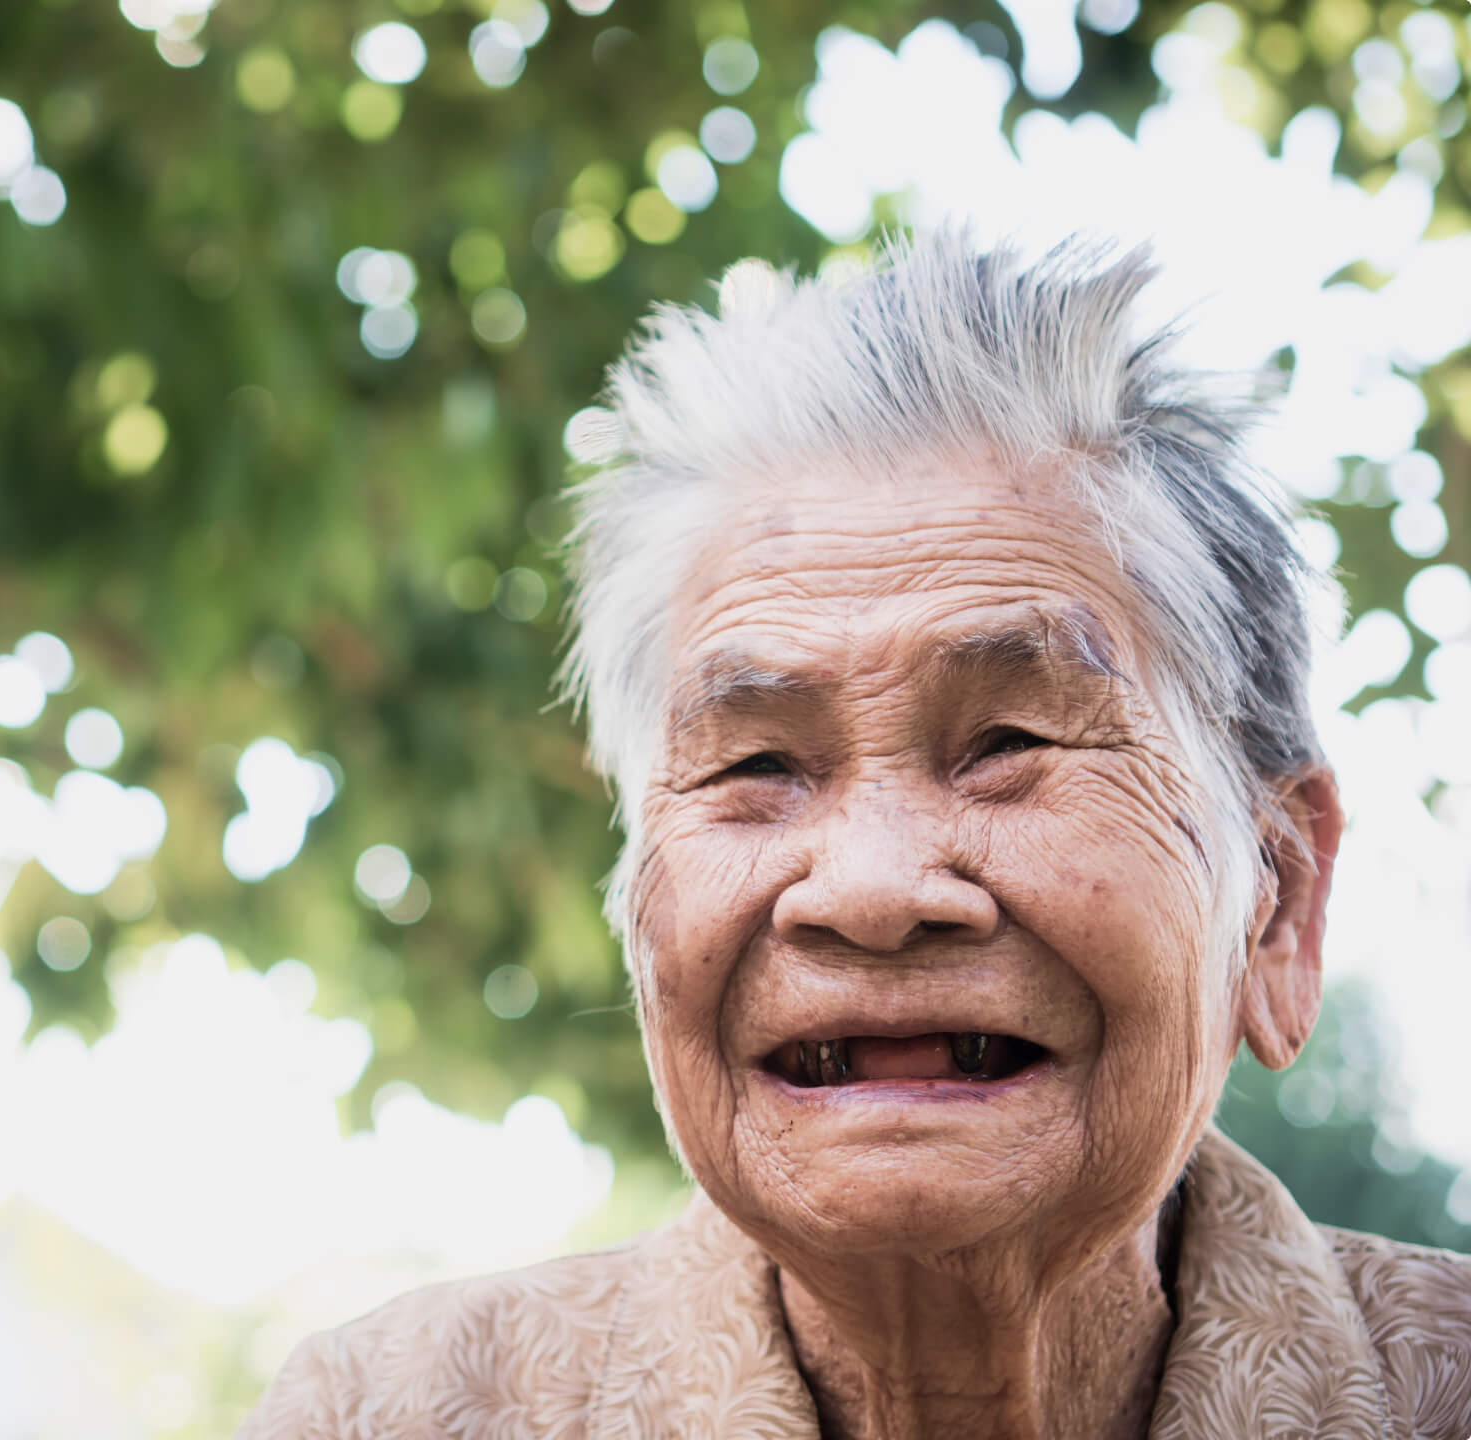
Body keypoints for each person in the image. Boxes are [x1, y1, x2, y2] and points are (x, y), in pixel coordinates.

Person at [237, 232, 1471, 1438]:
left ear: (1276, 895)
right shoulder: (391, 1417)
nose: (873, 891)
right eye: (758, 763)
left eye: (1009, 747)